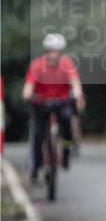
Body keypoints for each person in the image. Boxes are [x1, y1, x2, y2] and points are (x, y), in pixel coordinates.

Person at [22, 33, 85, 179]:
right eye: (50, 51)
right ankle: (37, 165)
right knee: (37, 134)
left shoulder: (67, 64)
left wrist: (77, 93)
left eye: (56, 51)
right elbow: (28, 87)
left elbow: (75, 82)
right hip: (41, 104)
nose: (53, 55)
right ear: (46, 52)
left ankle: (67, 151)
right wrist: (28, 94)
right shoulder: (37, 65)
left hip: (61, 103)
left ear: (61, 53)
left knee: (67, 125)